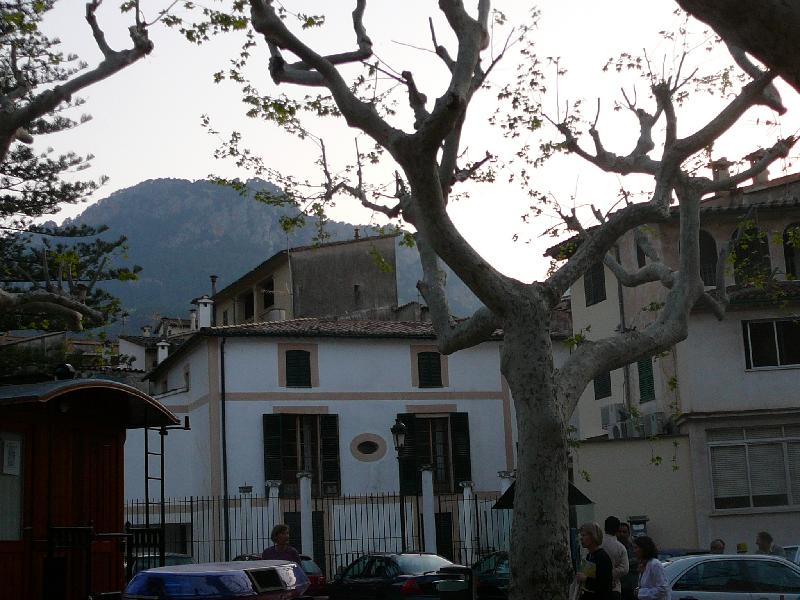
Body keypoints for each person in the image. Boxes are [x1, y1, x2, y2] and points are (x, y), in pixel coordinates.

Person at [576, 522, 613, 600]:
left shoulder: (602, 557)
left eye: (584, 535)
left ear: (593, 536)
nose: (581, 538)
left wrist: (586, 579)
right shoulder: (589, 555)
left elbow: (604, 584)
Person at [602, 516, 629, 600]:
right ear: (617, 529)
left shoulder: (597, 544)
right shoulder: (620, 547)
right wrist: (610, 575)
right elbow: (625, 569)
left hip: (597, 588)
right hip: (614, 588)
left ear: (604, 528)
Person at [616, 522, 638, 600]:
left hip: (633, 588)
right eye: (619, 532)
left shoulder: (634, 548)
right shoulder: (614, 548)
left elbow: (639, 560)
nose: (621, 534)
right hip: (619, 588)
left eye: (624, 532)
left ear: (628, 533)